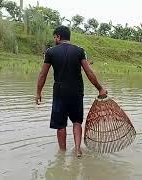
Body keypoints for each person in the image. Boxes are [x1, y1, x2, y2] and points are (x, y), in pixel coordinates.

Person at [35, 26, 107, 157]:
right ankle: (78, 149)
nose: (54, 39)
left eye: (54, 37)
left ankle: (62, 153)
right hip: (77, 91)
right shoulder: (80, 51)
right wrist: (100, 88)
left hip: (60, 92)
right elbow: (89, 72)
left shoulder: (50, 52)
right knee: (77, 122)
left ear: (58, 37)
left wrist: (38, 92)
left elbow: (42, 74)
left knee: (60, 125)